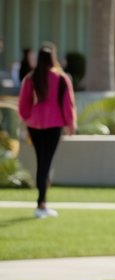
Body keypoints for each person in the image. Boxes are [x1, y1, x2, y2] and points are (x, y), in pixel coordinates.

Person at [17, 44, 77, 218]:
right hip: (53, 126)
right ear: (53, 57)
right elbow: (67, 104)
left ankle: (41, 203)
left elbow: (23, 104)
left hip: (34, 126)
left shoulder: (30, 78)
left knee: (41, 162)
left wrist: (27, 118)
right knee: (45, 164)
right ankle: (41, 205)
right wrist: (70, 123)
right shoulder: (61, 78)